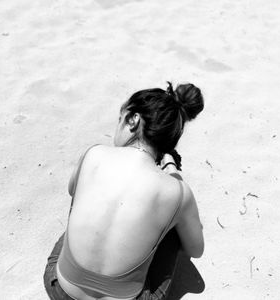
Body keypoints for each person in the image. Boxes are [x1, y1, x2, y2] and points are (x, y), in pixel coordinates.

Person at [43, 82, 205, 300]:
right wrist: (171, 169)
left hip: (60, 290)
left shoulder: (94, 154)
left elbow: (73, 191)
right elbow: (196, 250)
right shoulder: (178, 192)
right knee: (175, 226)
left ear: (133, 119)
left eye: (119, 119)